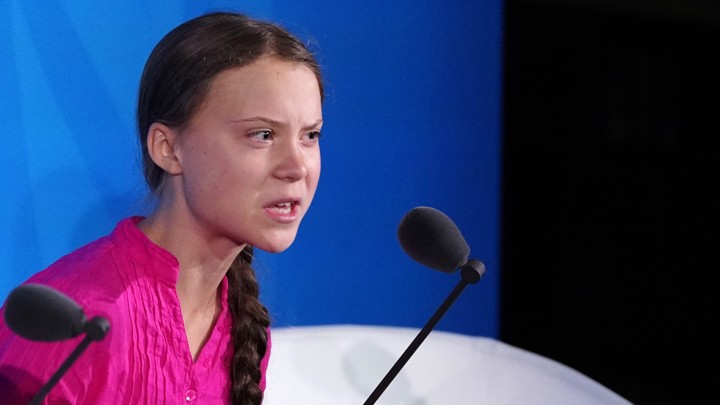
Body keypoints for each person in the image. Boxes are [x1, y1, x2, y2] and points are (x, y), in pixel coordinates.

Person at [0, 11, 324, 405]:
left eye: (310, 135)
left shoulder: (244, 329)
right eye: (262, 134)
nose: (297, 167)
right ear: (168, 149)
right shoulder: (74, 326)